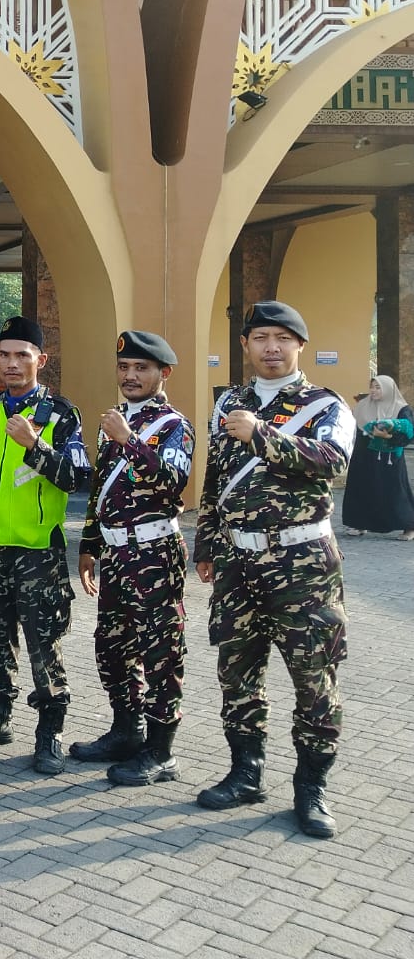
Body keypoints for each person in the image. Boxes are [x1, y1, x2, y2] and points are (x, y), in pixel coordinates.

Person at [194, 301, 354, 839]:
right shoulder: (228, 404)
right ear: (245, 344)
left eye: (282, 338)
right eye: (261, 336)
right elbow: (215, 482)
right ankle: (245, 772)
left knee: (313, 680)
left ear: (299, 347)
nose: (271, 347)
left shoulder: (325, 404)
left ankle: (311, 788)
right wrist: (207, 543)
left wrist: (261, 434)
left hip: (303, 564)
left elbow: (332, 462)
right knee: (238, 674)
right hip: (240, 563)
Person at [0, 315, 90, 775]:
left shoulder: (61, 413)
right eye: (3, 355)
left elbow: (79, 478)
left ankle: (50, 731)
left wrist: (35, 446)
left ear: (40, 361)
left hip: (36, 550)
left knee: (41, 640)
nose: (11, 364)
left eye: (21, 356)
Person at [72, 331, 194, 786]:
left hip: (154, 551)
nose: (130, 376)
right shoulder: (115, 421)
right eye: (124, 367)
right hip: (117, 553)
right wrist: (88, 545)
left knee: (160, 650)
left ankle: (161, 750)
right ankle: (127, 730)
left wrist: (128, 441)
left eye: (141, 368)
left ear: (164, 374)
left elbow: (172, 481)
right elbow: (100, 491)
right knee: (113, 646)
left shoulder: (171, 425)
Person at [342, 374, 414, 539]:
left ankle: (409, 527)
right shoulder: (363, 405)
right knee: (361, 488)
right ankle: (359, 524)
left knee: (394, 490)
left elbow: (409, 433)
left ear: (388, 389)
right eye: (372, 387)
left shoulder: (401, 408)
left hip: (388, 457)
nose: (373, 391)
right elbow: (351, 426)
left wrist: (387, 437)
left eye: (378, 387)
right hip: (363, 455)